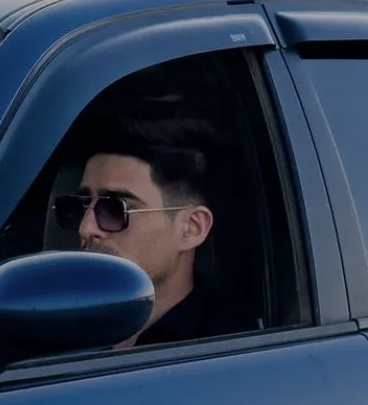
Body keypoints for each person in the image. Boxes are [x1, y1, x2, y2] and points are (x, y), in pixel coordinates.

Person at [52, 112, 257, 347]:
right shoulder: (57, 328)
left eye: (115, 209)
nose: (86, 228)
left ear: (191, 228)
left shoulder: (230, 350)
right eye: (81, 205)